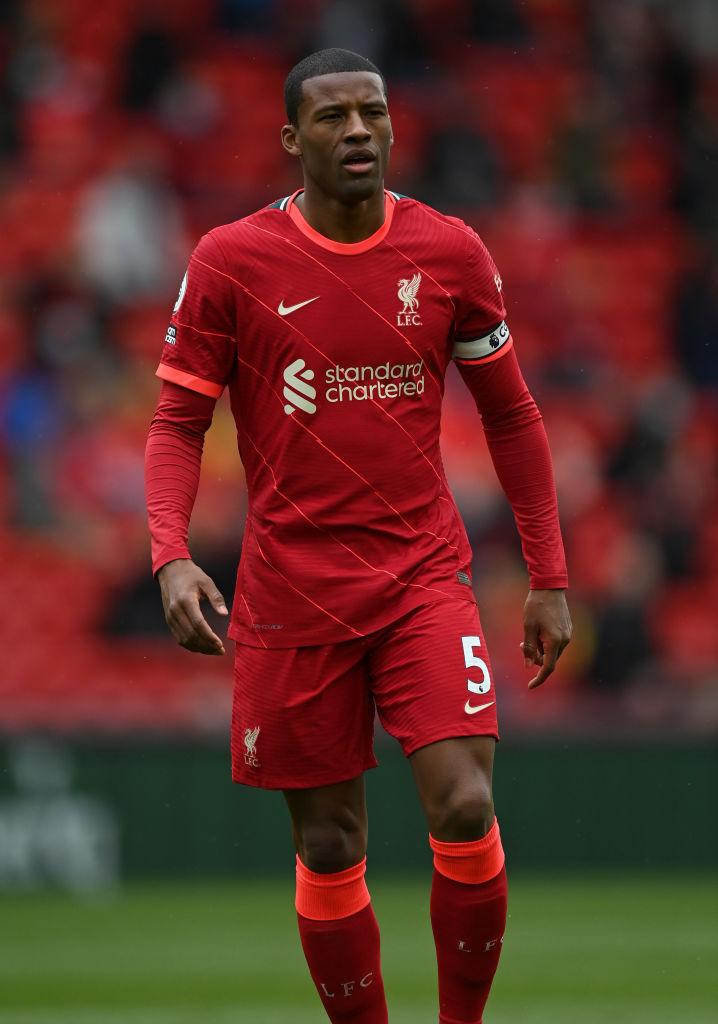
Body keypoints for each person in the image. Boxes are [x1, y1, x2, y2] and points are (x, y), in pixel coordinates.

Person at [145, 48, 572, 1024]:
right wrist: (170, 554)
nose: (357, 132)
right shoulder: (232, 261)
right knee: (331, 843)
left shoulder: (449, 252)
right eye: (332, 117)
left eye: (371, 114)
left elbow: (512, 415)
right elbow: (176, 424)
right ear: (291, 138)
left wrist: (548, 574)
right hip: (292, 589)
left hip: (422, 574)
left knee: (465, 804)